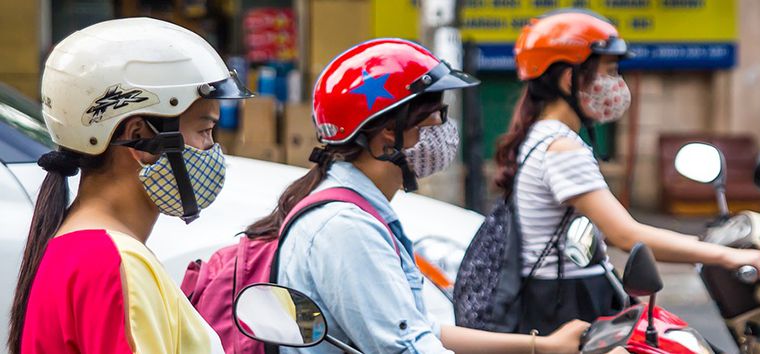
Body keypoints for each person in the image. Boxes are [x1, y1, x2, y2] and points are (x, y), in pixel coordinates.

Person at [246, 38, 621, 354]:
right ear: (389, 133)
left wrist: (544, 346)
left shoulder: (360, 212)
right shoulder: (346, 228)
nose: (445, 131)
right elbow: (408, 349)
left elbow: (417, 328)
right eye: (437, 117)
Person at [494, 9, 760, 334]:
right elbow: (626, 235)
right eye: (608, 71)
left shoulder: (541, 136)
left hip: (563, 294)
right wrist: (726, 256)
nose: (615, 84)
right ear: (570, 77)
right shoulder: (561, 148)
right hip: (566, 303)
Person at [9, 18, 252, 353]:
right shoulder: (114, 264)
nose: (213, 149)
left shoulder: (80, 247)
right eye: (205, 131)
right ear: (139, 138)